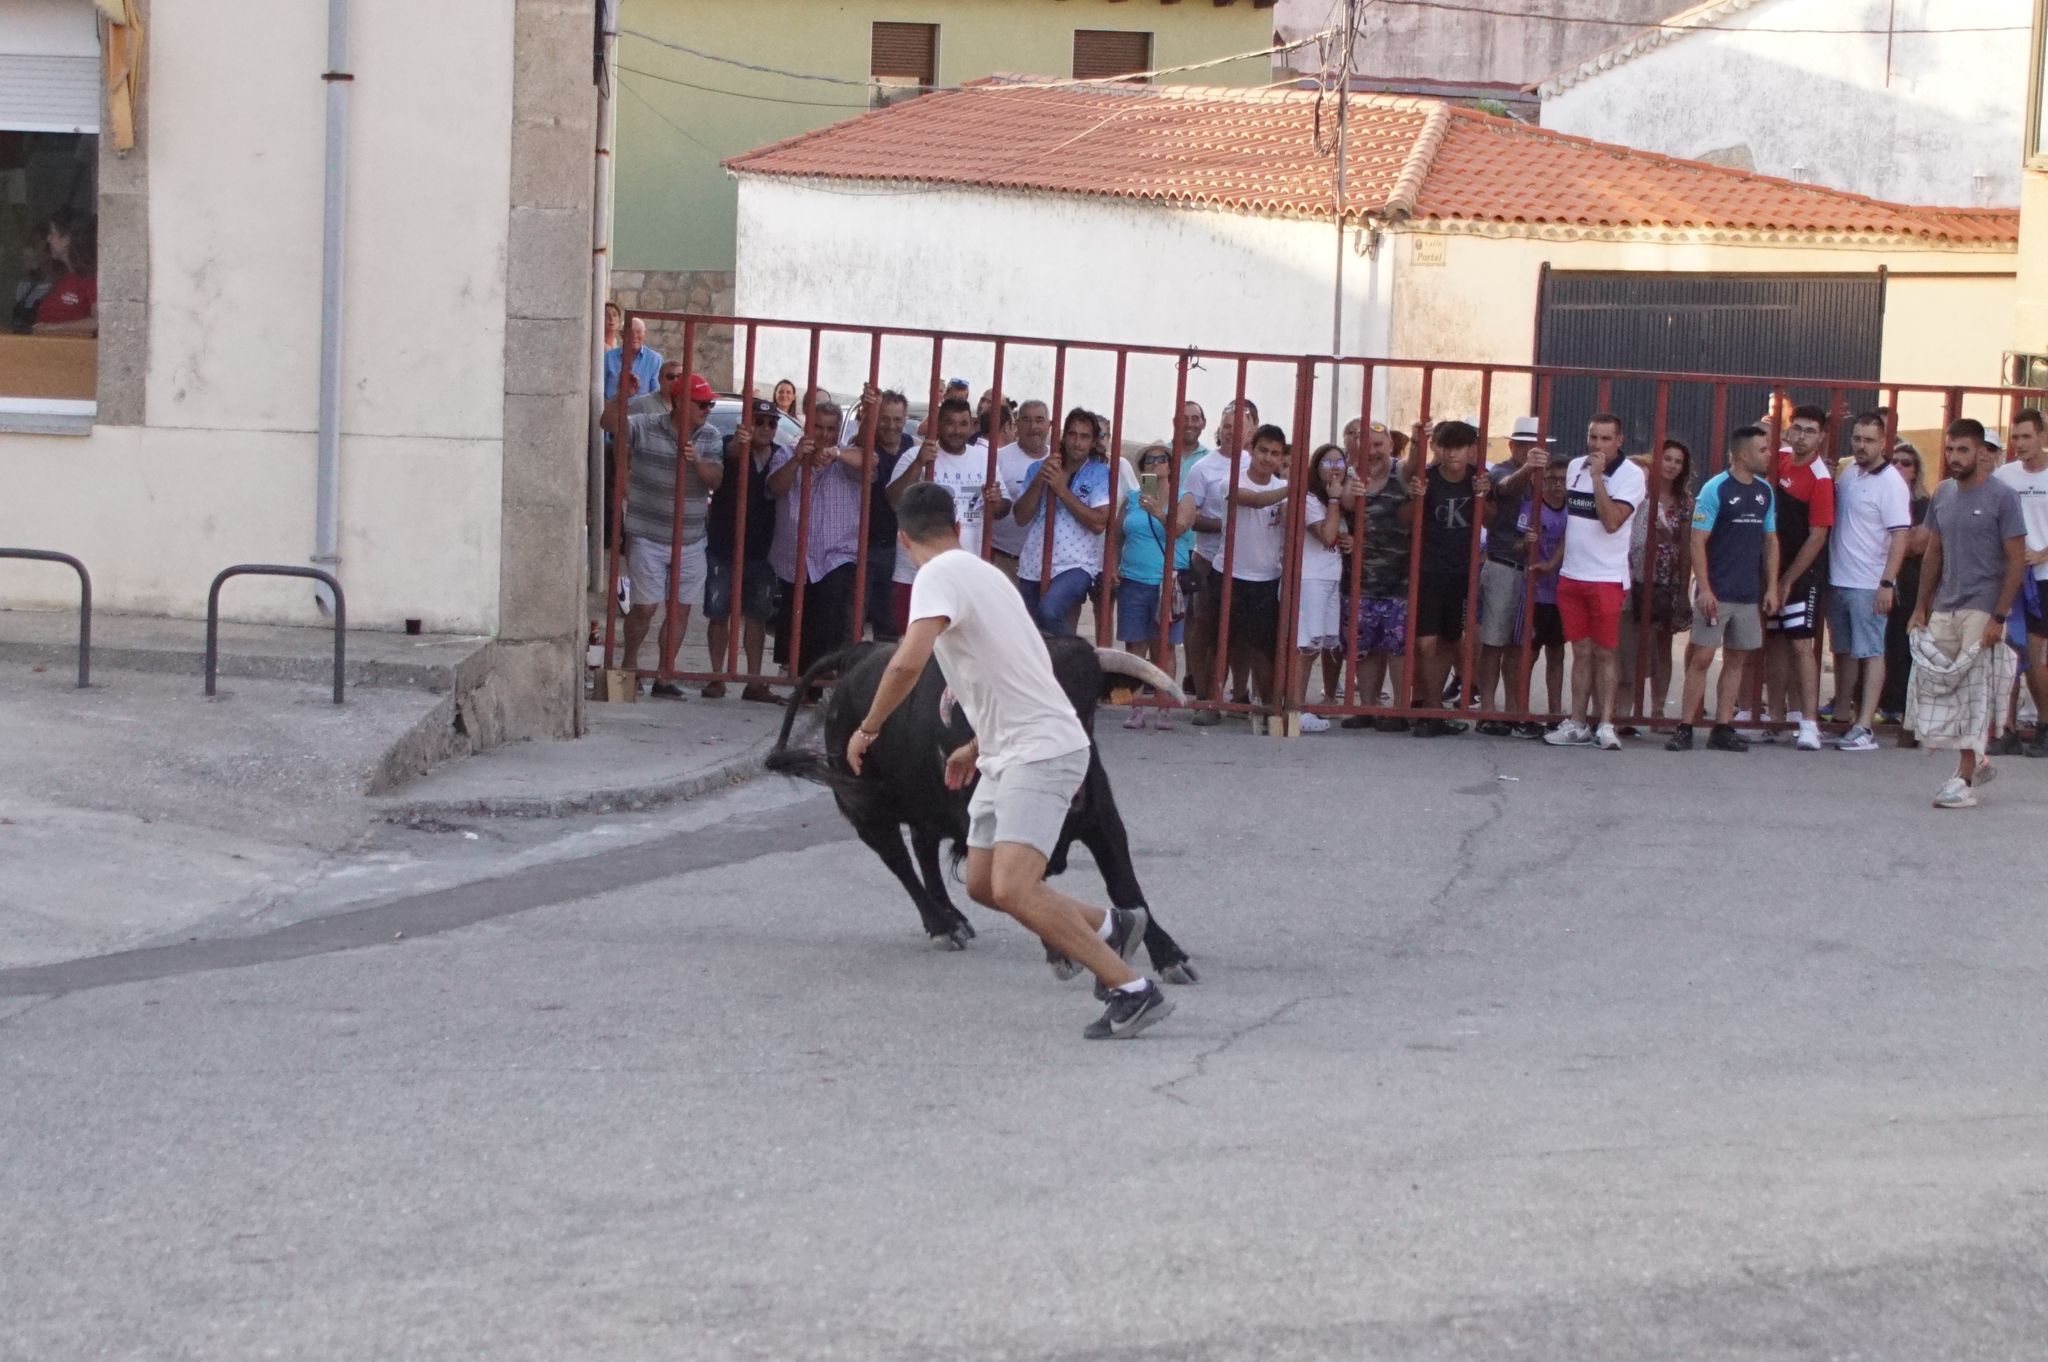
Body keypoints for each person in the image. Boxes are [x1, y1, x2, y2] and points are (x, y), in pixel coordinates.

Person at [847, 481, 1173, 1040]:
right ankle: (1114, 924)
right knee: (982, 885)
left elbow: (904, 664)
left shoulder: (937, 576)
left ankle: (1133, 989)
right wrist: (977, 746)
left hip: (1040, 751)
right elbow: (1018, 671)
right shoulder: (986, 575)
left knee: (1018, 888)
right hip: (1009, 750)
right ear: (956, 524)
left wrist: (868, 728)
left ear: (904, 540)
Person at [1909, 419, 2029, 808]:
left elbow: (2016, 561)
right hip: (1946, 604)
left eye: (1963, 450)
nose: (1954, 457)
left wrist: (1999, 615)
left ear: (1981, 452)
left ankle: (1963, 780)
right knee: (1941, 685)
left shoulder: (2003, 497)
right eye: (1949, 450)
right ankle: (1977, 758)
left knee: (1975, 694)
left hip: (1983, 607)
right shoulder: (1943, 494)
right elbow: (1933, 553)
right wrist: (1920, 606)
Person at [604, 367, 725, 696]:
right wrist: (622, 397)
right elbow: (608, 425)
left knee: (681, 609)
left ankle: (664, 675)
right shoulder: (646, 425)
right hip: (647, 533)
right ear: (680, 403)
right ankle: (627, 671)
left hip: (689, 538)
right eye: (702, 404)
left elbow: (715, 479)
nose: (707, 410)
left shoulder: (710, 436)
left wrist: (696, 461)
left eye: (709, 405)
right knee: (644, 607)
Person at [1667, 426, 1779, 753]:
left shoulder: (1764, 492)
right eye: (1763, 450)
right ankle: (1685, 726)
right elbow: (1698, 540)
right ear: (1744, 455)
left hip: (1748, 593)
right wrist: (1704, 589)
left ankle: (1723, 726)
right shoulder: (1715, 490)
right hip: (1717, 590)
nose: (1769, 454)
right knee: (1702, 656)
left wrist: (1771, 586)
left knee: (1737, 660)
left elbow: (1770, 540)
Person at [1545, 413, 1645, 751]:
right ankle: (1576, 722)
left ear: (1620, 441)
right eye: (1593, 437)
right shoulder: (1575, 467)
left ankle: (1605, 723)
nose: (1597, 445)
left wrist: (1599, 479)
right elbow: (1571, 520)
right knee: (1581, 651)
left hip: (1606, 577)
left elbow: (1612, 522)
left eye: (1605, 439)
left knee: (1606, 652)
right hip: (1572, 574)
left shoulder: (1631, 476)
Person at [1826, 412, 1914, 751]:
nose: (1861, 446)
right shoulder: (1850, 473)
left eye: (1869, 440)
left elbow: (1900, 536)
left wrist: (1887, 583)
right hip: (1840, 579)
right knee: (1844, 652)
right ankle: (1843, 719)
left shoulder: (1891, 482)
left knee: (1871, 651)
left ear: (1883, 443)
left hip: (1869, 583)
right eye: (1857, 439)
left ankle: (1865, 726)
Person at [885, 396, 1009, 635]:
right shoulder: (915, 455)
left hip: (967, 573)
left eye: (963, 424)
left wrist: (996, 501)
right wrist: (919, 464)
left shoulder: (983, 459)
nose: (957, 430)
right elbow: (893, 500)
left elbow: (1003, 509)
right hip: (916, 573)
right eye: (950, 423)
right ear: (938, 425)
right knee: (913, 643)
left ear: (972, 426)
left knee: (959, 650)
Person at [1755, 405, 1836, 750]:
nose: (1801, 437)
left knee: (1802, 645)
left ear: (1821, 437)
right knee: (1773, 641)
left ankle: (1808, 723)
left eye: (1809, 431)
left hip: (1802, 574)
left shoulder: (1821, 478)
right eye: (1797, 429)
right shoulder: (1781, 459)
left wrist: (1788, 578)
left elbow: (1818, 536)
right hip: (1771, 568)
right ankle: (1776, 717)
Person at [766, 399, 867, 678]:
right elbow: (776, 487)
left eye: (831, 429)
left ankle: (822, 680)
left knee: (830, 619)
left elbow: (869, 463)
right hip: (795, 556)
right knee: (798, 622)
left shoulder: (845, 456)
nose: (824, 435)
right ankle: (801, 678)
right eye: (818, 427)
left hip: (835, 556)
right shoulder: (787, 452)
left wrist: (836, 453)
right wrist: (798, 459)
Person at [1407, 420, 1487, 736]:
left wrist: (1485, 495)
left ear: (1470, 450)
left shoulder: (1477, 479)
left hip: (1462, 572)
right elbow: (1406, 519)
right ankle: (1430, 706)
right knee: (1425, 642)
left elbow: (1491, 519)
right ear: (1437, 447)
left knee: (1451, 639)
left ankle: (1437, 708)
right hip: (1428, 569)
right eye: (1446, 446)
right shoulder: (1426, 479)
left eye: (1459, 446)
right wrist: (1418, 498)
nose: (1452, 453)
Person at [1473, 415, 1552, 735]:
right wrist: (1528, 469)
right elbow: (1505, 489)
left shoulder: (1546, 477)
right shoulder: (1504, 470)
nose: (1530, 450)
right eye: (1523, 445)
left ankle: (1515, 709)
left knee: (1521, 646)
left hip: (1535, 570)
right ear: (1512, 446)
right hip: (1505, 564)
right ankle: (1488, 708)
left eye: (1535, 446)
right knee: (1493, 641)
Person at [1180, 398, 1257, 723]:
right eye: (1227, 426)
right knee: (1201, 628)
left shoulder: (1255, 464)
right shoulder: (1199, 467)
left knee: (1241, 632)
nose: (1232, 432)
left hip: (1245, 562)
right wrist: (1225, 523)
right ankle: (1204, 696)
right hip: (1203, 559)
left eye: (1239, 426)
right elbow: (1189, 517)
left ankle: (1238, 695)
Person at [704, 398, 785, 702]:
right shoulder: (730, 446)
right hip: (724, 543)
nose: (765, 428)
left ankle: (753, 680)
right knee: (718, 613)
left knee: (756, 616)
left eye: (771, 423)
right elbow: (729, 453)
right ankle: (716, 677)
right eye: (759, 421)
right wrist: (741, 444)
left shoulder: (779, 456)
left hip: (762, 549)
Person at [1337, 423, 1414, 732]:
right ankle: (1367, 707)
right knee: (1364, 646)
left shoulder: (1402, 472)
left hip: (1401, 580)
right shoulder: (1347, 475)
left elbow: (1417, 463)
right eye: (1366, 445)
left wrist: (1420, 437)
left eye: (1379, 445)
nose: (1372, 451)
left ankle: (1399, 710)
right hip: (1359, 579)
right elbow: (1337, 508)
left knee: (1397, 648)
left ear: (1391, 445)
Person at [1013, 409, 1113, 633]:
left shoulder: (1098, 473)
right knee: (1031, 632)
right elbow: (1020, 517)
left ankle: (1075, 660)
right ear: (1064, 436)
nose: (1077, 442)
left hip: (1076, 564)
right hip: (1034, 562)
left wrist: (1061, 490)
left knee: (1049, 611)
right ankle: (1051, 667)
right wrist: (1041, 479)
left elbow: (1098, 524)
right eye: (1073, 434)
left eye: (1085, 436)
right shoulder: (1037, 469)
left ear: (1093, 441)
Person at [1220, 424, 1292, 733]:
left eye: (1275, 453)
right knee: (1223, 641)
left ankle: (1267, 704)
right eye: (1263, 450)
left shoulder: (1282, 489)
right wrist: (1294, 486)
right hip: (1229, 572)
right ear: (1251, 449)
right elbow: (1253, 499)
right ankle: (1217, 701)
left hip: (1266, 577)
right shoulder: (1231, 480)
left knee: (1264, 646)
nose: (1267, 458)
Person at [1116, 443, 1193, 730]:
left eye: (1162, 459)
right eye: (1149, 460)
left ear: (1171, 466)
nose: (1156, 464)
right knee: (1134, 646)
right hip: (1133, 580)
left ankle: (1164, 706)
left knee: (1166, 647)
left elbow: (1181, 528)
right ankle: (1135, 707)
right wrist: (1113, 566)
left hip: (1167, 582)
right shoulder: (1133, 498)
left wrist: (1160, 511)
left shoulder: (1184, 497)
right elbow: (1117, 534)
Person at [1992, 406, 2048, 757]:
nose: (2020, 444)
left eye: (2027, 436)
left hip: (2043, 579)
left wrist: (2043, 553)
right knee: (2009, 654)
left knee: (2034, 654)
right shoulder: (2005, 476)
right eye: (2015, 437)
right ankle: (2007, 728)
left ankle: (2044, 724)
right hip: (2012, 576)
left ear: (2042, 437)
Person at [1627, 438, 1695, 722]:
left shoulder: (1686, 502)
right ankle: (1625, 711)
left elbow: (1689, 545)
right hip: (1635, 575)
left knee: (1663, 646)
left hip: (1668, 578)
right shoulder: (1638, 489)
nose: (1672, 466)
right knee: (1632, 644)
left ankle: (1656, 710)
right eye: (1667, 458)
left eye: (1678, 461)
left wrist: (1682, 591)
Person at [1289, 444, 1348, 732]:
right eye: (1328, 462)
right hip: (1311, 578)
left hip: (1331, 577)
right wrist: (1335, 501)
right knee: (1306, 645)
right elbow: (1326, 535)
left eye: (1340, 462)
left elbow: (1338, 536)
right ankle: (1295, 710)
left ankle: (1315, 702)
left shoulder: (1334, 498)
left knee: (1325, 643)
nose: (1335, 468)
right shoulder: (1311, 498)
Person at [850, 386, 915, 641]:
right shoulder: (869, 444)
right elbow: (860, 441)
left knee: (889, 623)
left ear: (905, 419)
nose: (891, 425)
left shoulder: (910, 445)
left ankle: (885, 676)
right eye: (884, 418)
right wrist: (869, 411)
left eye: (897, 419)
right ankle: (850, 675)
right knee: (854, 618)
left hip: (897, 548)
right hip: (864, 544)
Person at [1880, 441, 1933, 737]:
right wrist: (1900, 537)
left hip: (1912, 580)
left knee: (1905, 643)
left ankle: (1901, 706)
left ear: (1916, 470)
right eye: (1895, 461)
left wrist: (1894, 537)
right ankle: (1879, 703)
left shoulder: (1924, 503)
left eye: (1906, 462)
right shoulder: (1883, 493)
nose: (1899, 466)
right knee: (1879, 642)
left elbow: (1917, 544)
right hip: (1878, 577)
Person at [1519, 460, 1571, 731]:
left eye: (1563, 479)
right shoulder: (1531, 508)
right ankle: (1521, 711)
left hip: (1561, 592)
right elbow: (1516, 542)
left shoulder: (1572, 511)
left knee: (1557, 653)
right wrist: (1525, 543)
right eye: (1551, 479)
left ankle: (1554, 712)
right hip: (1534, 592)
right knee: (1530, 652)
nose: (1557, 485)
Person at [988, 400, 1052, 581]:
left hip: (1045, 564)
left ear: (1049, 425)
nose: (1033, 427)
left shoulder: (1058, 460)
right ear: (1016, 425)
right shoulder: (1000, 458)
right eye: (1026, 420)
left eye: (1039, 420)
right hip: (1003, 560)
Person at [31, 210, 96, 337]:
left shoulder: (90, 280)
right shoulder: (59, 276)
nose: (48, 239)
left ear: (67, 239)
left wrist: (52, 328)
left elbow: (97, 322)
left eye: (53, 233)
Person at [602, 314, 664, 404]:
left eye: (638, 332)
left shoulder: (655, 360)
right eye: (630, 332)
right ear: (621, 334)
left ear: (644, 334)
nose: (634, 335)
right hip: (614, 411)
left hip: (642, 414)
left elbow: (656, 394)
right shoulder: (608, 358)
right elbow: (600, 391)